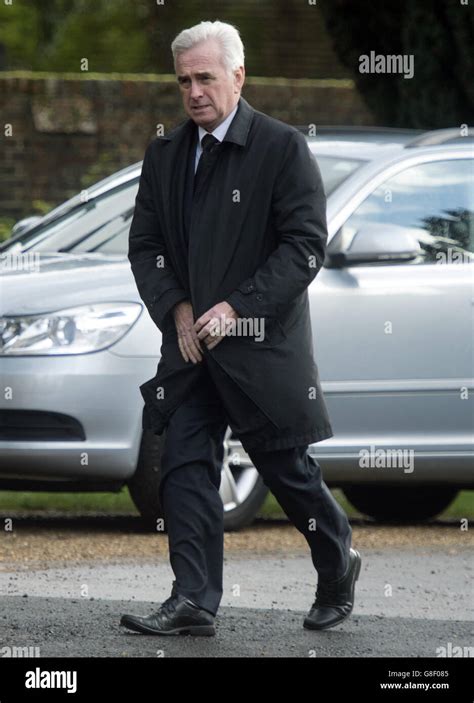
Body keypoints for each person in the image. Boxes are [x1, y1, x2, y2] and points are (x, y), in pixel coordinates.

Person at [121, 20, 361, 637]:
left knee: (287, 472)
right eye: (184, 81)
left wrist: (236, 309)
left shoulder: (282, 149)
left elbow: (305, 248)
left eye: (205, 77)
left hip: (260, 348)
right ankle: (194, 600)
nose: (194, 91)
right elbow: (146, 245)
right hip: (191, 350)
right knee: (183, 466)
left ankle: (338, 561)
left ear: (238, 75)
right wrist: (176, 307)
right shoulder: (165, 155)